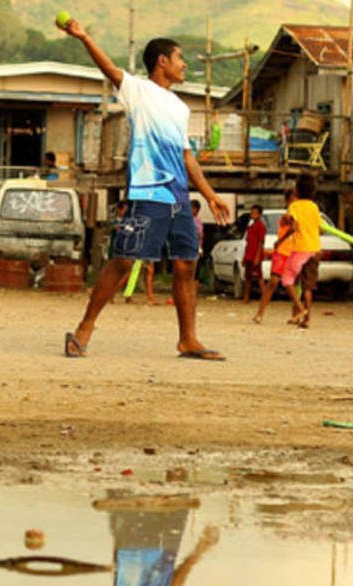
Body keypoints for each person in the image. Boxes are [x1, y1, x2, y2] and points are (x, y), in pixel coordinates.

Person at [57, 19, 230, 359]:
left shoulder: (180, 108)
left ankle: (188, 339)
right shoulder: (138, 90)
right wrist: (83, 37)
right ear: (161, 61)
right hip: (147, 193)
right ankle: (84, 328)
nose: (184, 65)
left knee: (186, 265)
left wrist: (209, 194)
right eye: (179, 58)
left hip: (179, 198)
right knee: (123, 260)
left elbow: (186, 156)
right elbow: (108, 68)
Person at [95, 494, 219, 586]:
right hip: (128, 547)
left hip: (159, 548)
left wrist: (201, 548)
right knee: (123, 486)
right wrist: (118, 541)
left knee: (178, 487)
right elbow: (120, 584)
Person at [280, 173, 321, 329]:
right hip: (314, 248)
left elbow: (290, 220)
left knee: (287, 280)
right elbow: (319, 227)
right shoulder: (314, 206)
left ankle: (300, 308)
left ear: (296, 190)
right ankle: (307, 319)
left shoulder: (295, 205)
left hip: (300, 248)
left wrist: (287, 220)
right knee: (308, 286)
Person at [253, 188, 296, 323]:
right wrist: (279, 241)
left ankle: (296, 314)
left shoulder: (298, 213)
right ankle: (260, 313)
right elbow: (293, 226)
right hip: (283, 251)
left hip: (293, 251)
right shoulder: (288, 215)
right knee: (273, 282)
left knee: (292, 285)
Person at [241, 204, 266, 303]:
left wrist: (257, 257)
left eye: (255, 213)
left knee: (259, 277)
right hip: (249, 255)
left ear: (260, 215)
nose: (253, 215)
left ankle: (265, 297)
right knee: (248, 278)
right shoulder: (251, 226)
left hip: (255, 255)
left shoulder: (261, 226)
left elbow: (261, 243)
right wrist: (244, 256)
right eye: (252, 213)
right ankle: (246, 298)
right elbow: (248, 243)